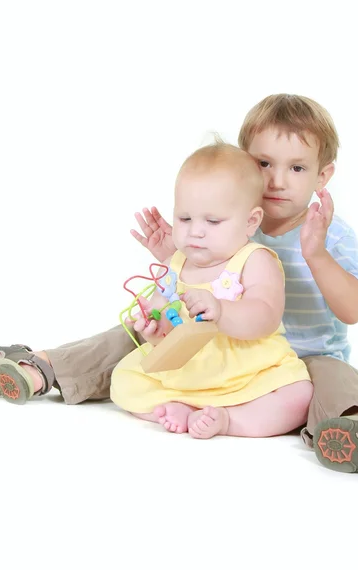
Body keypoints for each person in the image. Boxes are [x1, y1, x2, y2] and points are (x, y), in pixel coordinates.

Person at [0, 94, 358, 479]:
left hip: (304, 354)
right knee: (131, 338)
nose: (277, 180)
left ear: (323, 175)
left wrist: (316, 253)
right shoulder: (231, 220)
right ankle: (40, 369)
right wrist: (170, 255)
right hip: (219, 346)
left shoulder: (331, 232)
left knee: (332, 382)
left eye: (297, 168)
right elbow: (198, 275)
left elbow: (353, 311)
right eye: (263, 164)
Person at [110, 141, 312, 439]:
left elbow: (266, 315)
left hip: (248, 372)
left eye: (213, 221)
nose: (196, 231)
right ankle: (179, 407)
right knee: (123, 382)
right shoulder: (173, 264)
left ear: (250, 222)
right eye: (185, 218)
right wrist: (153, 332)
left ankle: (229, 419)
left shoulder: (254, 260)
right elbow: (163, 321)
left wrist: (222, 310)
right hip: (186, 370)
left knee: (299, 395)